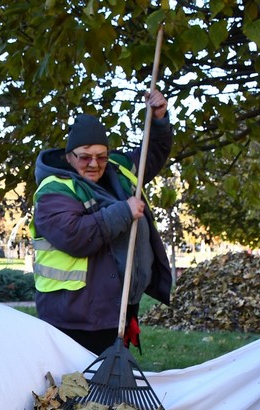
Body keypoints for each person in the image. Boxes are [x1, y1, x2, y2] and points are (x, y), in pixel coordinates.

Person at [30, 89, 174, 354]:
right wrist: (124, 212)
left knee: (109, 390)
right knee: (72, 390)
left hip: (114, 309)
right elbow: (74, 236)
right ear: (70, 156)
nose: (95, 164)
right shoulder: (54, 189)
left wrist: (159, 118)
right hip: (74, 318)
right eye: (85, 156)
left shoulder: (117, 169)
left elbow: (150, 155)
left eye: (102, 155)